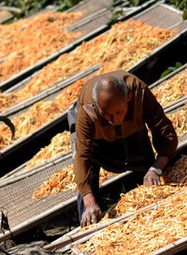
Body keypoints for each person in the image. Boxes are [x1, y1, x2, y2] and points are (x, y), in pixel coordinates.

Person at [69, 71, 178, 227]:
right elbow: (81, 156)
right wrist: (89, 200)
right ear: (97, 106)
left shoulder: (139, 92)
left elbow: (164, 130)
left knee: (148, 173)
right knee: (88, 186)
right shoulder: (87, 110)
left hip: (133, 132)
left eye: (119, 112)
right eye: (107, 114)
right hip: (98, 139)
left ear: (128, 98)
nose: (114, 120)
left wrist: (156, 168)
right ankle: (91, 223)